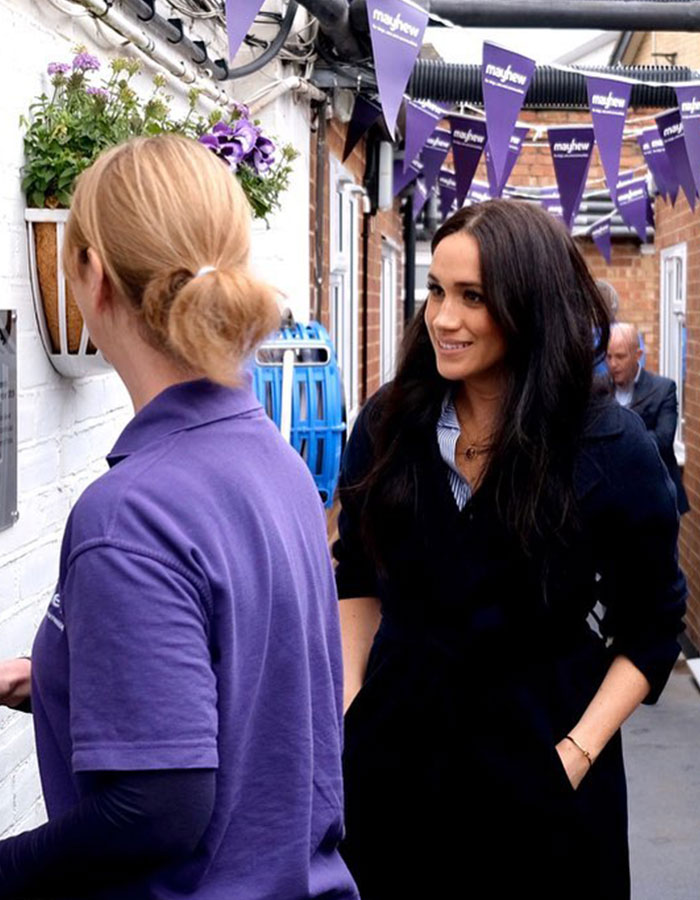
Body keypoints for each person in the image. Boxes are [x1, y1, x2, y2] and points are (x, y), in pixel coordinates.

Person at [0, 134, 358, 900]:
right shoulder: (273, 458)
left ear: (92, 277)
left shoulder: (131, 516)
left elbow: (156, 810)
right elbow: (247, 674)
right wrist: (70, 679)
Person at [333, 200, 686, 900]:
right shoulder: (386, 425)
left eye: (472, 298)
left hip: (546, 791)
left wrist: (572, 757)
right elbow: (358, 577)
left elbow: (651, 628)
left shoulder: (609, 448)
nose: (442, 317)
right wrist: (353, 709)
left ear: (529, 307)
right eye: (436, 290)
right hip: (396, 777)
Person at [607, 321, 689, 514]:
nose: (613, 364)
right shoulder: (598, 389)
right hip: (613, 499)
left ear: (638, 356)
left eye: (620, 357)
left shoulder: (663, 389)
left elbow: (662, 440)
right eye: (608, 356)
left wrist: (615, 440)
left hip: (655, 497)